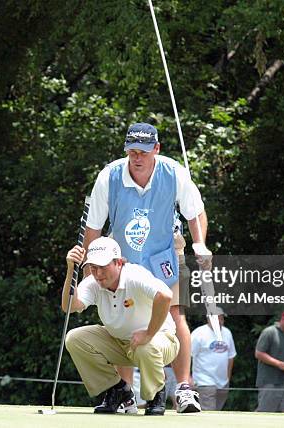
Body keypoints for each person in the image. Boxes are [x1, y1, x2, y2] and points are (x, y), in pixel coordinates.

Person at [84, 122, 208, 413]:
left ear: (156, 149)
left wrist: (199, 244)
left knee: (175, 313)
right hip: (120, 259)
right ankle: (125, 394)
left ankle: (184, 389)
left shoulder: (174, 173)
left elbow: (196, 214)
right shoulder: (109, 176)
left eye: (142, 151)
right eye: (131, 151)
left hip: (163, 253)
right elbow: (93, 228)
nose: (136, 157)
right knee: (119, 322)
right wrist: (92, 269)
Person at [63, 237, 179, 416]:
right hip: (120, 343)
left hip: (161, 341)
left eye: (103, 266)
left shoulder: (134, 275)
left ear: (118, 262)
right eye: (93, 267)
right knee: (74, 338)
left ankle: (155, 394)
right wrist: (71, 269)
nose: (98, 273)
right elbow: (69, 306)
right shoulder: (95, 282)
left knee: (145, 347)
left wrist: (148, 333)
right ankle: (118, 390)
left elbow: (165, 296)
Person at [254, 308, 284, 412]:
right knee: (265, 415)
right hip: (269, 381)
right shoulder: (269, 332)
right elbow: (258, 353)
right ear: (283, 319)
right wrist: (280, 364)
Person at [190, 307, 236, 410]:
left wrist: (227, 378)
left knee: (217, 412)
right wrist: (188, 377)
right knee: (209, 413)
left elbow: (231, 356)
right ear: (208, 319)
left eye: (221, 318)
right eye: (216, 318)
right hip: (204, 382)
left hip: (223, 383)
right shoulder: (199, 333)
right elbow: (187, 355)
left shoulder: (227, 333)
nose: (219, 321)